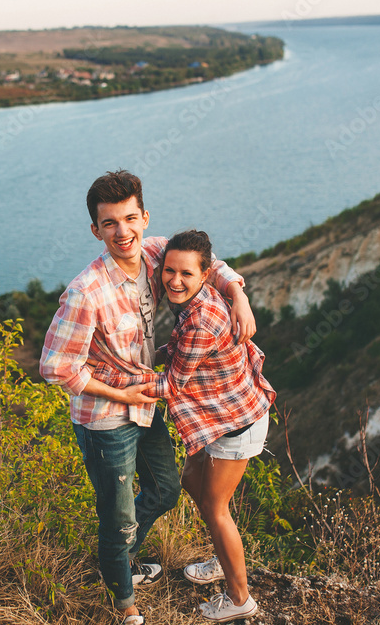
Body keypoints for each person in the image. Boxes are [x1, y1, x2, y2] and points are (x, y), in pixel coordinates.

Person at [39, 171, 256, 625]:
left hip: (144, 402)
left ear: (145, 217)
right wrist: (114, 388)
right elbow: (56, 367)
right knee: (117, 515)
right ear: (95, 230)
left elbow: (207, 262)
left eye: (130, 218)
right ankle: (124, 603)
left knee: (166, 488)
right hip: (104, 416)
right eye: (110, 223)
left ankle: (118, 561)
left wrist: (238, 294)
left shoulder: (156, 252)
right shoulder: (85, 292)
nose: (123, 232)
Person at [91, 229, 276, 623]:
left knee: (215, 506)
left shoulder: (201, 318)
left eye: (186, 274)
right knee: (192, 484)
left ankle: (239, 597)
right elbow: (175, 352)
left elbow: (170, 385)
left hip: (235, 422)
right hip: (218, 418)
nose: (174, 280)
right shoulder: (194, 299)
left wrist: (115, 373)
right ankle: (223, 558)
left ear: (204, 275)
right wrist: (140, 354)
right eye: (169, 271)